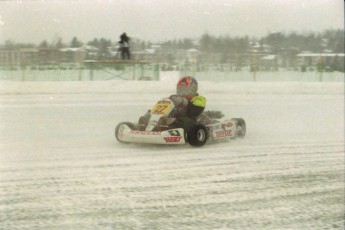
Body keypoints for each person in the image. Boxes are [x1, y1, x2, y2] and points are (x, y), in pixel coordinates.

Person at [139, 76, 206, 132]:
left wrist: (184, 102)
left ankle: (165, 128)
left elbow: (194, 111)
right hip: (172, 119)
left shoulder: (199, 99)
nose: (182, 94)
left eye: (185, 91)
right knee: (152, 112)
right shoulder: (176, 98)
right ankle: (145, 124)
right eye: (180, 90)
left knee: (183, 121)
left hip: (191, 120)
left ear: (193, 91)